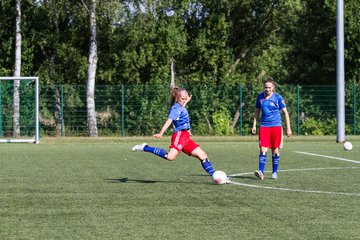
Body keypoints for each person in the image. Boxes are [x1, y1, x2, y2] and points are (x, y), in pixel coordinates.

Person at [131, 86, 224, 181]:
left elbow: (183, 106)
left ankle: (215, 177)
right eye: (182, 99)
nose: (184, 101)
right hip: (180, 135)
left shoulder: (181, 105)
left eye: (186, 98)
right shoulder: (175, 108)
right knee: (170, 157)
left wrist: (186, 101)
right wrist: (161, 133)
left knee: (203, 156)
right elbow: (169, 120)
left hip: (185, 137)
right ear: (177, 98)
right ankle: (145, 147)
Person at [252, 77, 292, 180]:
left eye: (270, 87)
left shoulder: (278, 98)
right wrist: (254, 125)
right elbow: (257, 111)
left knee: (275, 150)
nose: (268, 89)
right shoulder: (260, 97)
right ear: (263, 87)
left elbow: (285, 113)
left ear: (273, 87)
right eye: (266, 87)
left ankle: (274, 172)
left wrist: (288, 128)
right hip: (264, 126)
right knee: (263, 149)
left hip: (276, 126)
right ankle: (261, 172)